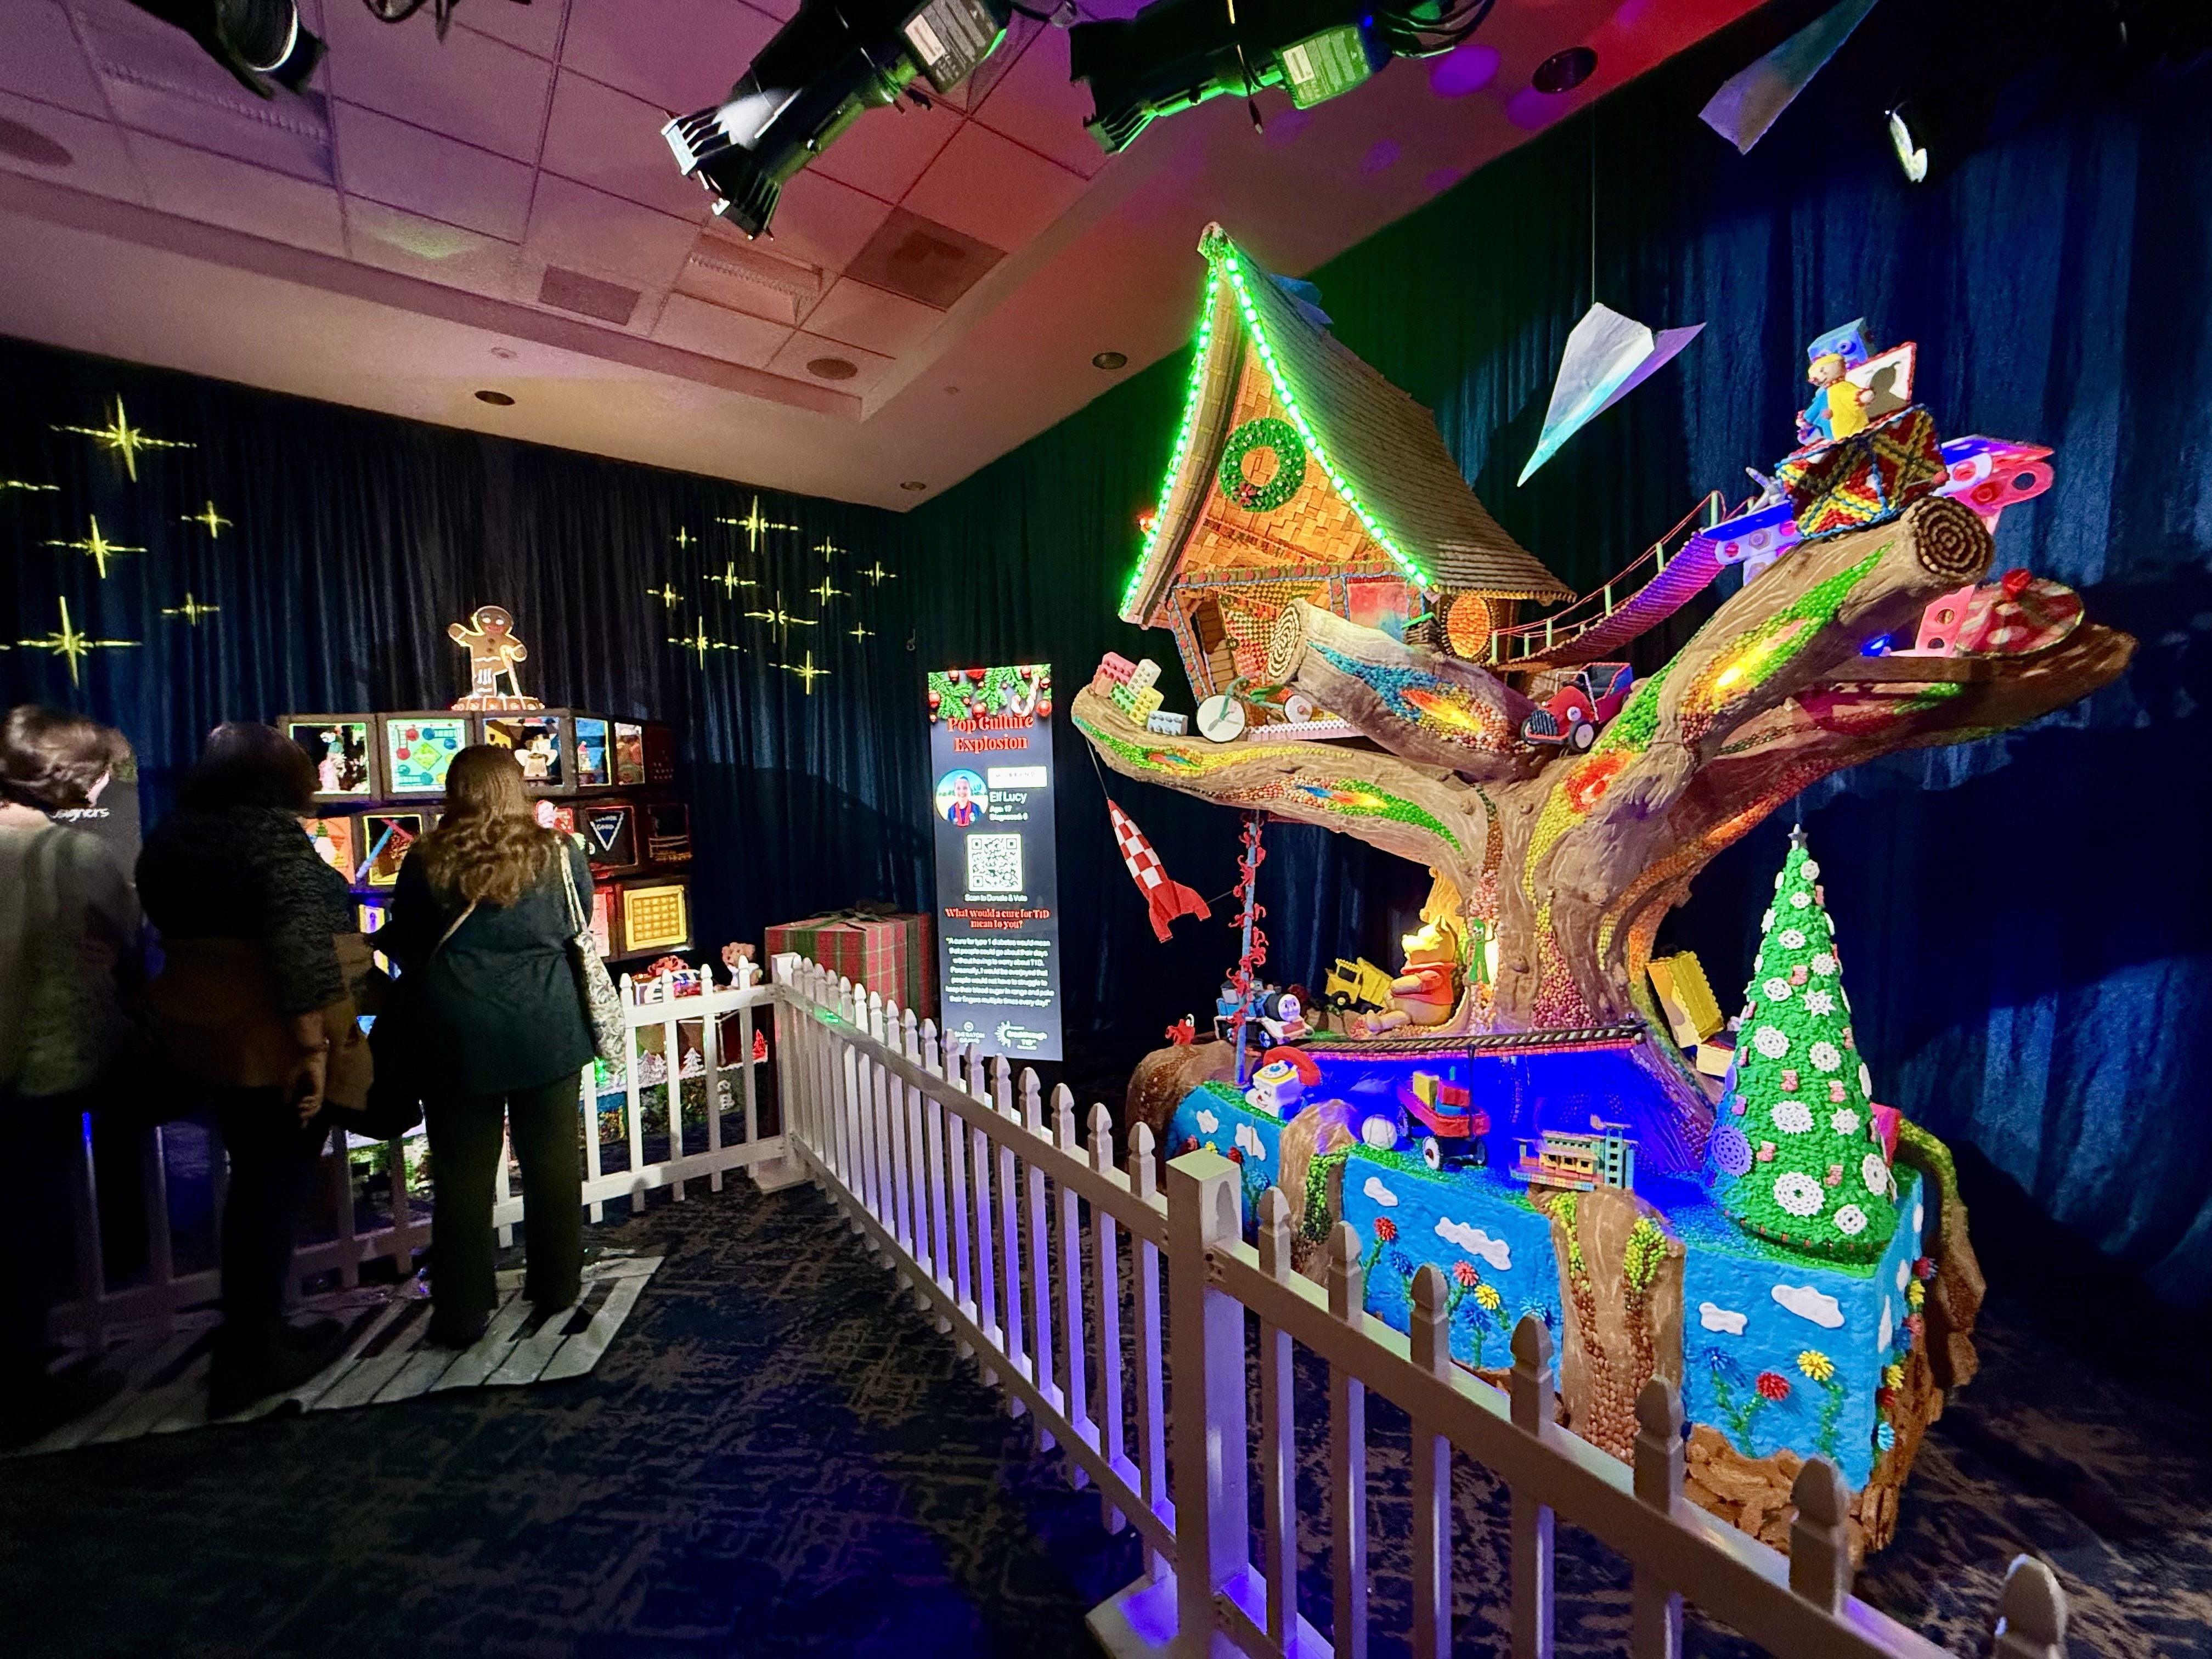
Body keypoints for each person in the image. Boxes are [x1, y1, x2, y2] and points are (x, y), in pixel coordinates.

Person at [137, 723, 365, 1415]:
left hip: (204, 1033)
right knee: (273, 1187)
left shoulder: (175, 836)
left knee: (255, 1185)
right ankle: (255, 1348)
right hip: (272, 1043)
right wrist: (315, 1050)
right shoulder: (269, 840)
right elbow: (298, 949)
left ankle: (252, 1332)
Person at [387, 745, 590, 1348]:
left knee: (461, 1178)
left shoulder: (426, 858)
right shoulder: (560, 853)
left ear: (457, 792)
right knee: (553, 1166)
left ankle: (461, 1311)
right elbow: (575, 930)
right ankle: (556, 1287)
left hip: (457, 1034)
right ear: (516, 789)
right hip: (549, 1028)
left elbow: (408, 940)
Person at [0, 706, 136, 1438]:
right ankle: (25, 1384)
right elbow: (127, 935)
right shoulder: (75, 858)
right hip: (38, 1065)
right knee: (28, 1225)